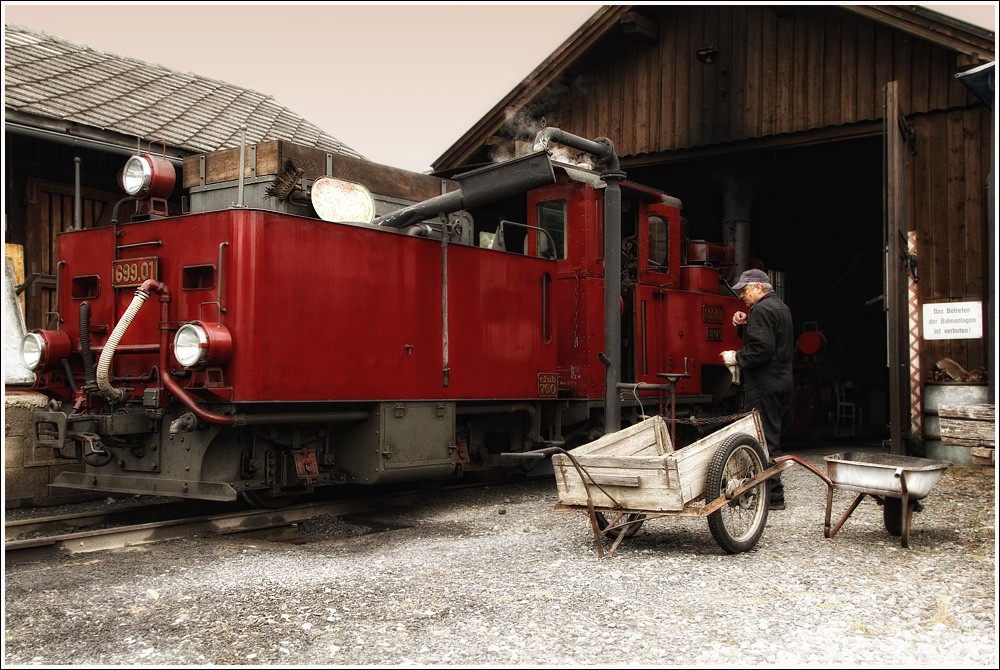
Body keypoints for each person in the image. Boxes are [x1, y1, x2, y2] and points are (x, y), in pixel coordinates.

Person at [721, 268, 794, 510]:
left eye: (745, 290)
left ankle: (774, 496)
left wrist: (736, 357)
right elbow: (770, 341)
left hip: (765, 382)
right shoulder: (780, 308)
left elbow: (762, 348)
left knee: (764, 439)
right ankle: (772, 493)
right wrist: (745, 325)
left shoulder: (761, 310)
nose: (742, 294)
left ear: (759, 288)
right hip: (782, 379)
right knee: (772, 435)